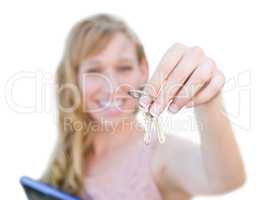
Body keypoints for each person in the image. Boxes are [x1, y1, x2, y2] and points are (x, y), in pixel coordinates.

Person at [41, 13, 246, 200]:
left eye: (124, 67)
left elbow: (225, 179)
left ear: (143, 70)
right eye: (94, 70)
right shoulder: (71, 149)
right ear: (74, 78)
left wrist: (208, 99)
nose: (112, 86)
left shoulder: (161, 155)